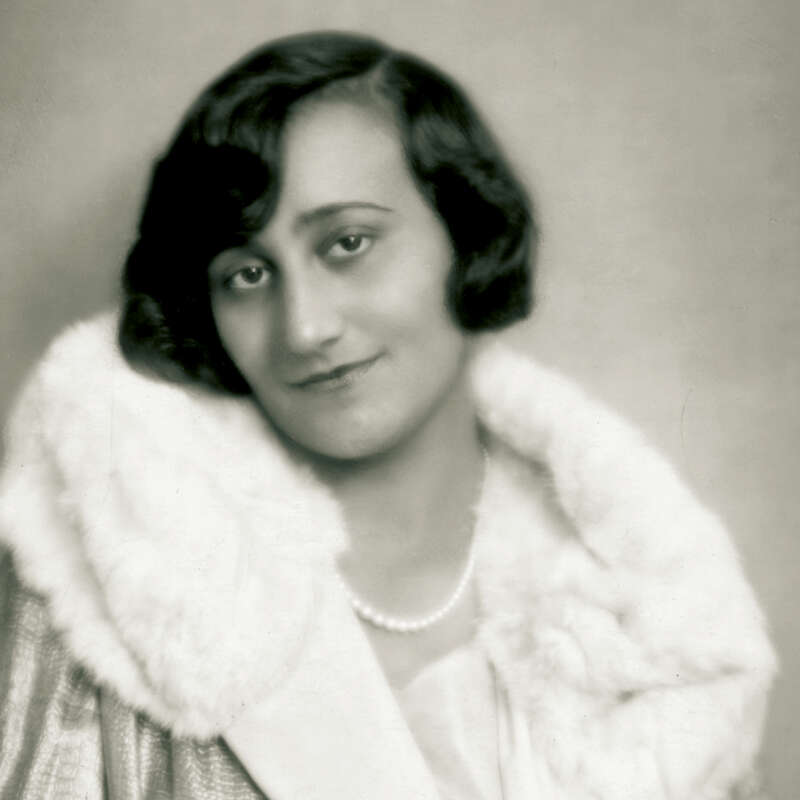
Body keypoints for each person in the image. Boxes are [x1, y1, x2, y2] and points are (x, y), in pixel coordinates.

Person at [0, 30, 777, 800]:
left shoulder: (654, 622)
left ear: (465, 235)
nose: (305, 327)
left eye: (347, 243)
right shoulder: (102, 593)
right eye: (247, 275)